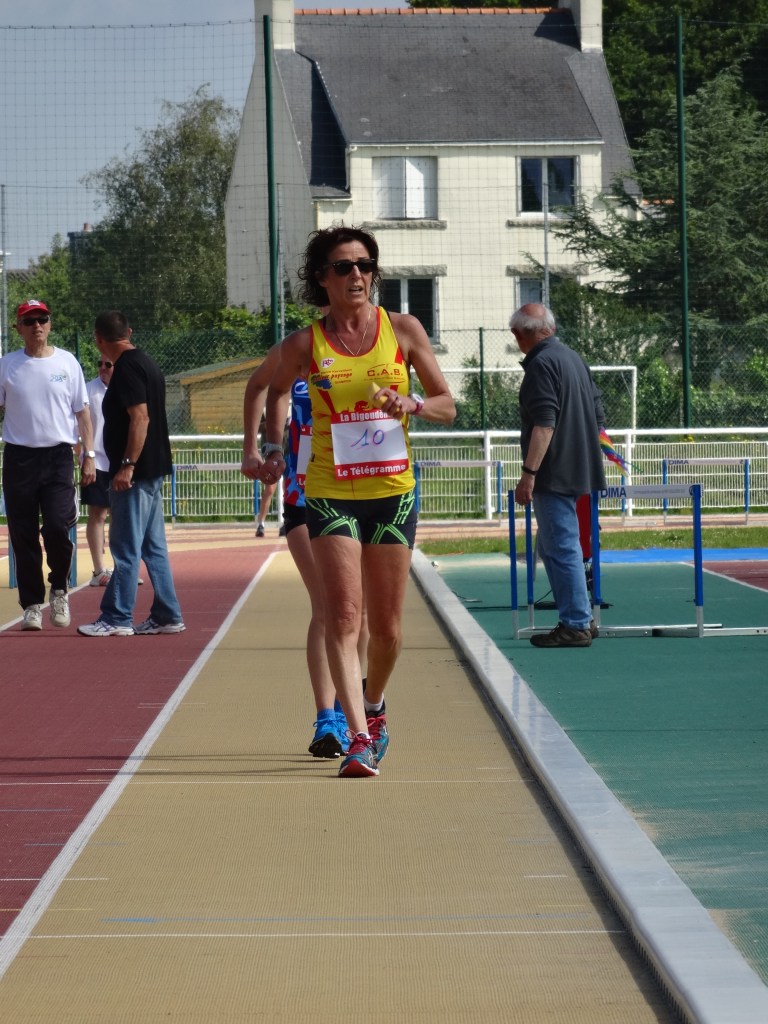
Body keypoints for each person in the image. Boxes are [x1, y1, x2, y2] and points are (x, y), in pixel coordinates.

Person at [261, 226, 456, 778]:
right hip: (330, 493)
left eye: (365, 265)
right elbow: (274, 390)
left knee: (388, 630)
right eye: (343, 266)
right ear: (321, 278)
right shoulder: (305, 344)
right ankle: (358, 739)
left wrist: (411, 404)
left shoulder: (403, 330)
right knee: (344, 616)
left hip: (392, 495)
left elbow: (447, 405)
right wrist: (272, 448)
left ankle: (374, 704)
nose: (356, 275)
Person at [242, 342, 369, 759]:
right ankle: (327, 719)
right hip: (305, 496)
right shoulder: (296, 348)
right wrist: (258, 448)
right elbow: (257, 386)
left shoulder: (378, 346)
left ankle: (356, 711)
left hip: (365, 496)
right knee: (328, 608)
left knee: (361, 615)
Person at [78, 310, 184, 637]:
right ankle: (167, 615)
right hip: (152, 468)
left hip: (136, 472)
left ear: (99, 340)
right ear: (130, 332)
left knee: (125, 548)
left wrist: (127, 465)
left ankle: (116, 617)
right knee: (153, 548)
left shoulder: (125, 369)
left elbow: (140, 418)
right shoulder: (148, 363)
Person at [511, 302, 606, 648]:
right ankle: (580, 617)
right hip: (580, 465)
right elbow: (598, 413)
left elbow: (545, 422)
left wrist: (529, 474)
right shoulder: (573, 358)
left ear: (520, 334)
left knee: (561, 546)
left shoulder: (540, 365)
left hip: (554, 471)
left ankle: (576, 622)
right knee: (556, 545)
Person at [0, 299, 96, 631]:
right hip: (19, 458)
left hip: (57, 457)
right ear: (18, 329)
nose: (37, 326)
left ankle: (59, 589)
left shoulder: (67, 363)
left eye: (42, 319)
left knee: (57, 526)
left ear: (50, 324)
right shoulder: (7, 365)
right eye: (29, 321)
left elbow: (83, 412)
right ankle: (31, 605)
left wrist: (89, 456)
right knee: (22, 533)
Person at [80, 355, 114, 586]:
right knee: (98, 514)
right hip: (97, 461)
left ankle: (123, 568)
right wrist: (84, 456)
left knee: (121, 516)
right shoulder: (89, 390)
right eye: (99, 364)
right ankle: (99, 570)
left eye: (108, 364)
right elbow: (80, 425)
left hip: (120, 462)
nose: (102, 368)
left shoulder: (126, 388)